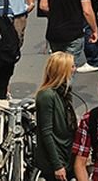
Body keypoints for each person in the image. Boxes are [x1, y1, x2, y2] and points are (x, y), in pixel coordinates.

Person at [32, 53, 77, 181]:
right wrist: (57, 165)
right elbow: (46, 132)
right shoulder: (47, 96)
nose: (75, 69)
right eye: (72, 66)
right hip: (56, 160)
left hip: (66, 154)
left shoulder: (64, 92)